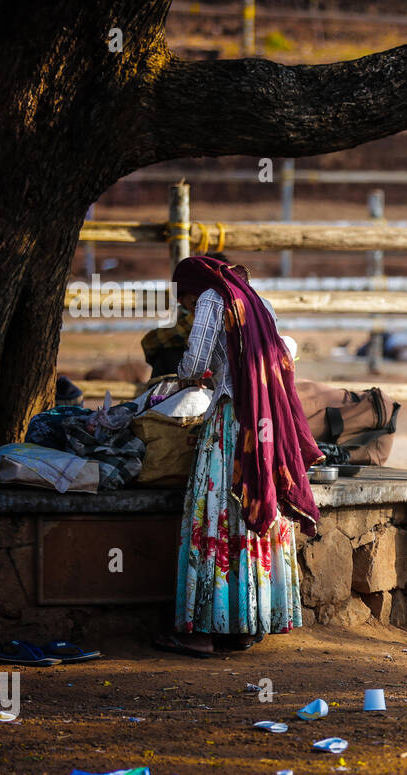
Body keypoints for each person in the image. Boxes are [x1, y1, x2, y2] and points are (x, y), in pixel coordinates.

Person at [155, 255, 323, 657]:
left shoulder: (214, 300)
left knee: (215, 514)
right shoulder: (260, 304)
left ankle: (202, 632)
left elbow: (195, 362)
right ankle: (246, 623)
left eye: (186, 302)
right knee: (251, 512)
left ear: (195, 288)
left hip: (231, 423)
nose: (188, 308)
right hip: (264, 423)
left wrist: (182, 376)